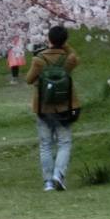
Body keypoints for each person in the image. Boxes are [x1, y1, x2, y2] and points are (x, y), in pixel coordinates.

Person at [26, 25, 80, 192]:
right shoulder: (68, 59)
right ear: (65, 41)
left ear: (48, 39)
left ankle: (48, 182)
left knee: (45, 144)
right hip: (65, 105)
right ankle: (59, 174)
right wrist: (64, 44)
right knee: (64, 142)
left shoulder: (39, 59)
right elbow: (75, 56)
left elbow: (29, 79)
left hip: (43, 106)